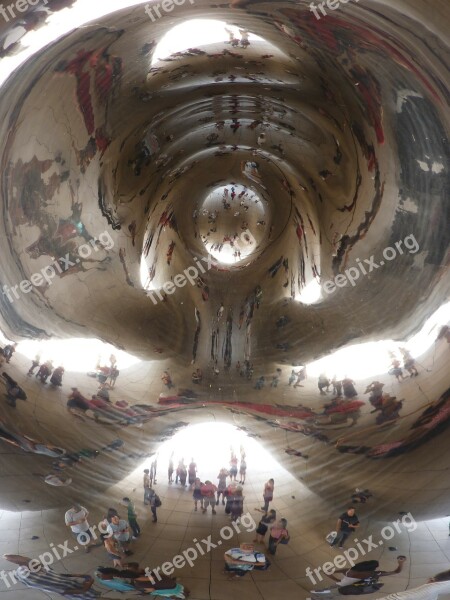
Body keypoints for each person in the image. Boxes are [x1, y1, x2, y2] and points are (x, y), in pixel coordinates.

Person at [3, 554, 100, 599]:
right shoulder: (34, 580)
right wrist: (87, 586)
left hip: (74, 584)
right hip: (78, 594)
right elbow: (64, 592)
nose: (40, 565)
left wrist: (78, 575)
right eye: (36, 565)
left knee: (95, 595)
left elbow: (56, 574)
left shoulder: (38, 568)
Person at [310, 557, 406, 597]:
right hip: (348, 589)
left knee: (327, 591)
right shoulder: (372, 574)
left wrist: (338, 580)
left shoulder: (347, 570)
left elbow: (328, 572)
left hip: (337, 585)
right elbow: (396, 571)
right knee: (329, 594)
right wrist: (400, 563)